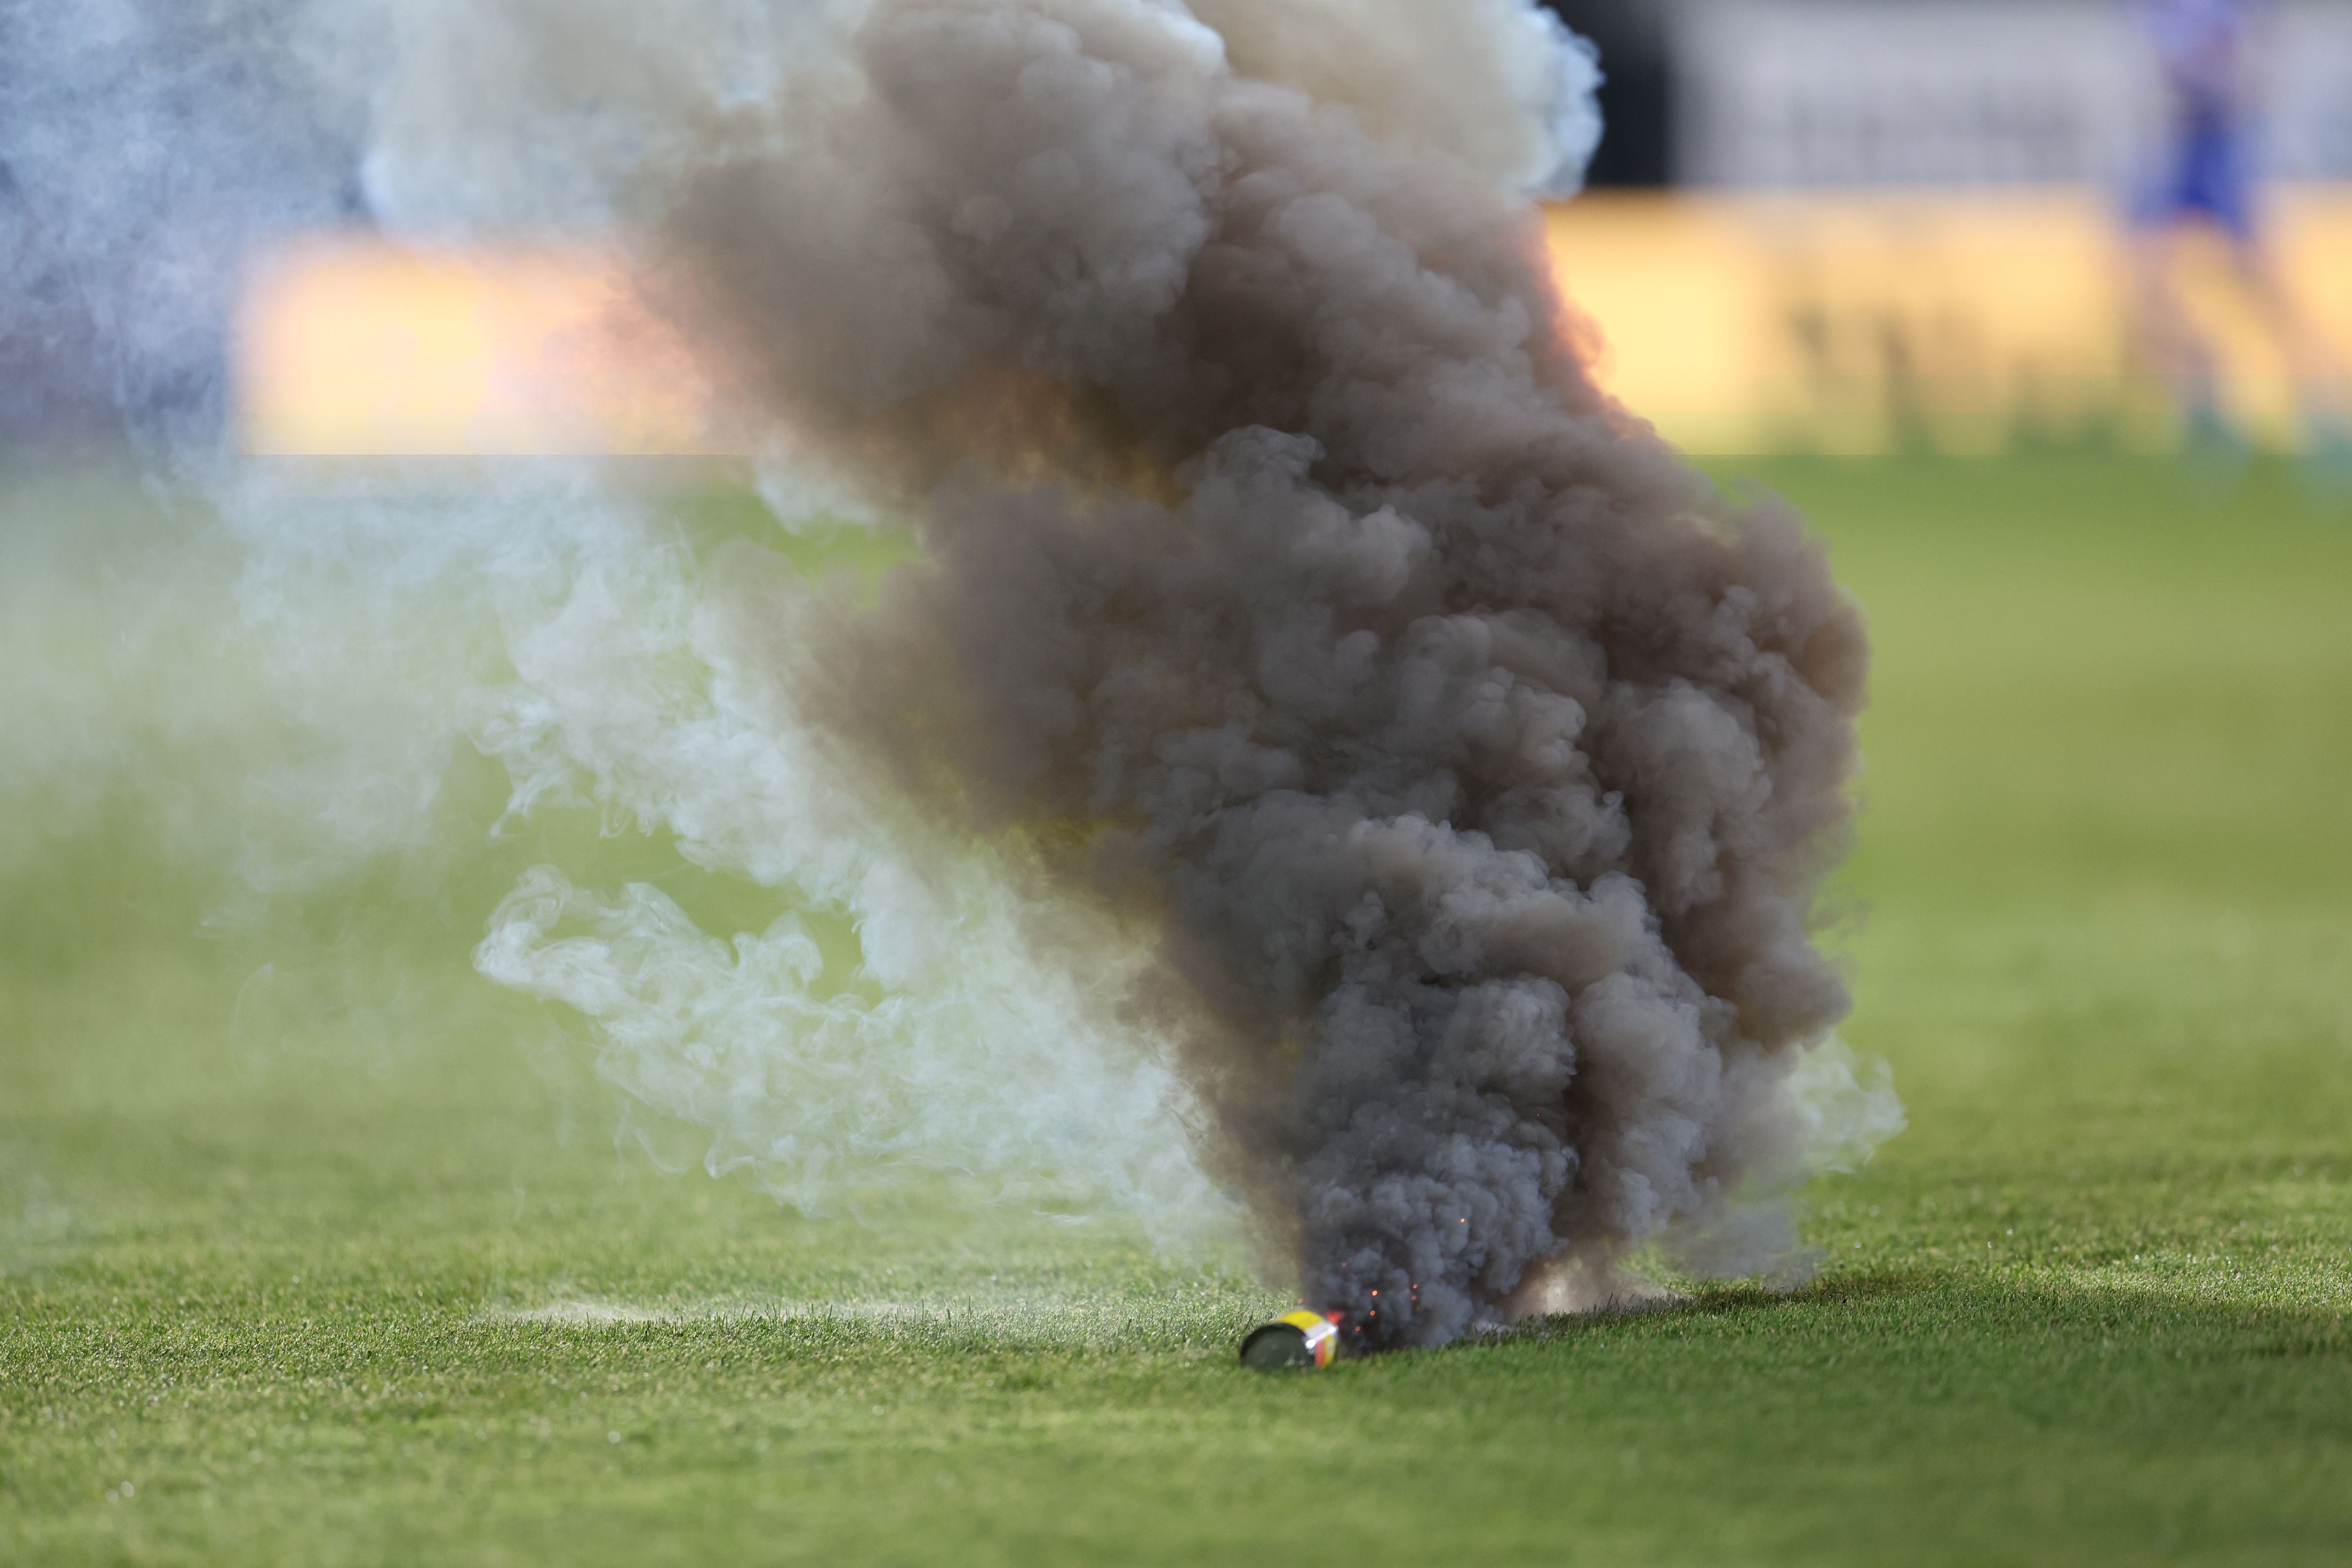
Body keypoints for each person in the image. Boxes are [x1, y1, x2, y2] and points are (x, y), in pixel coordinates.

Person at [2125, 0, 2350, 486]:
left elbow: (2251, 63)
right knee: (2146, 288)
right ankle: (2207, 407)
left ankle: (2328, 417)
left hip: (2223, 144)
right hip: (2177, 145)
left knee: (2266, 288)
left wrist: (2216, 80)